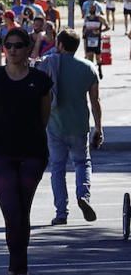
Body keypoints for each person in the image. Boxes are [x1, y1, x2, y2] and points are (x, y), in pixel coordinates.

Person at [0, 27, 52, 275]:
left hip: (32, 152)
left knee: (23, 210)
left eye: (18, 45)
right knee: (12, 213)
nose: (12, 50)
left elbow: (44, 116)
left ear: (28, 48)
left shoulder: (40, 80)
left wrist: (28, 135)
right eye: (8, 45)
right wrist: (0, 136)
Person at [37, 29, 104, 225]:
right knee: (83, 163)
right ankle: (83, 195)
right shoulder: (89, 68)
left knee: (57, 168)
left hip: (55, 124)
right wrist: (98, 128)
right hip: (79, 125)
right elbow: (95, 101)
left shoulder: (50, 64)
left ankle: (61, 212)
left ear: (60, 45)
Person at [82, 4, 108, 79]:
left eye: (93, 8)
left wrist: (100, 31)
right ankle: (91, 74)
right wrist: (83, 35)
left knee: (98, 57)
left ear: (95, 9)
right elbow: (84, 28)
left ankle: (99, 70)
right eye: (90, 8)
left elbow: (107, 27)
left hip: (97, 40)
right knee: (89, 57)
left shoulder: (99, 18)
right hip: (88, 40)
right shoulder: (87, 18)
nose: (92, 10)